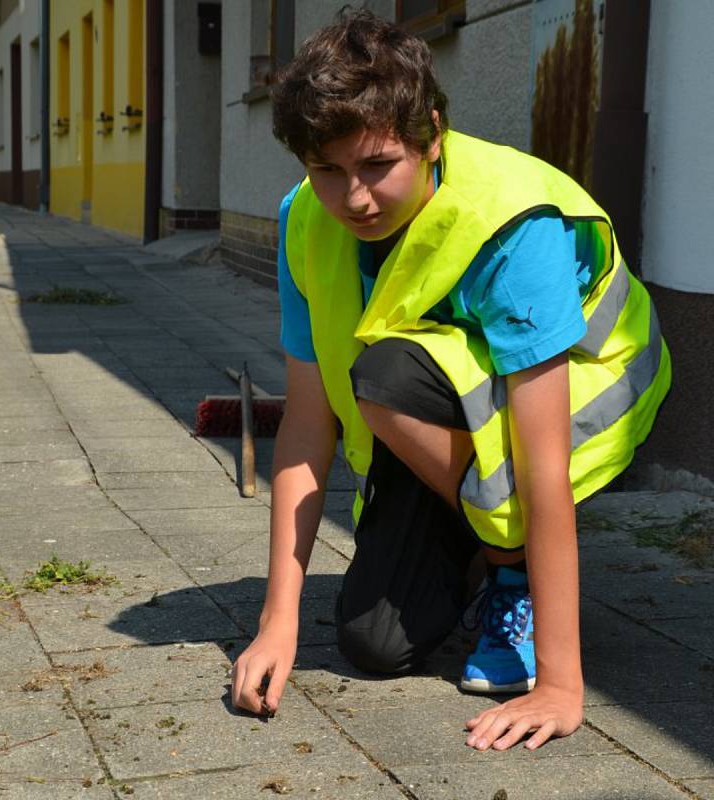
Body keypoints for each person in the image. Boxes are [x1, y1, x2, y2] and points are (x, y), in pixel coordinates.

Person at [230, 9, 670, 752]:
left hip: (588, 396)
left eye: (377, 165)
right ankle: (474, 548)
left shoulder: (513, 221)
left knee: (385, 370)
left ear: (430, 136)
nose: (355, 199)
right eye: (326, 171)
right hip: (437, 412)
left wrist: (561, 685)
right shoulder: (304, 221)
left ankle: (510, 573)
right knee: (375, 645)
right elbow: (306, 425)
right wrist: (278, 623)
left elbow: (541, 461)